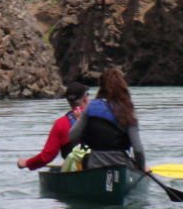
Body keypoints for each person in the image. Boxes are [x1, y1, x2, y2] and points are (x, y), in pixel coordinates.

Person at [18, 69, 148, 173]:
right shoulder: (128, 111)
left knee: (56, 170)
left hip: (94, 168)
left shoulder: (86, 111)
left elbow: (69, 139)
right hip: (120, 167)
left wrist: (27, 163)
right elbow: (138, 149)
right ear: (85, 98)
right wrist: (141, 167)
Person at [16, 82, 89, 170]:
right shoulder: (97, 117)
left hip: (75, 170)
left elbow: (47, 156)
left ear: (68, 101)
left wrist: (27, 163)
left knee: (53, 170)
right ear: (85, 98)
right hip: (98, 165)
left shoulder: (60, 123)